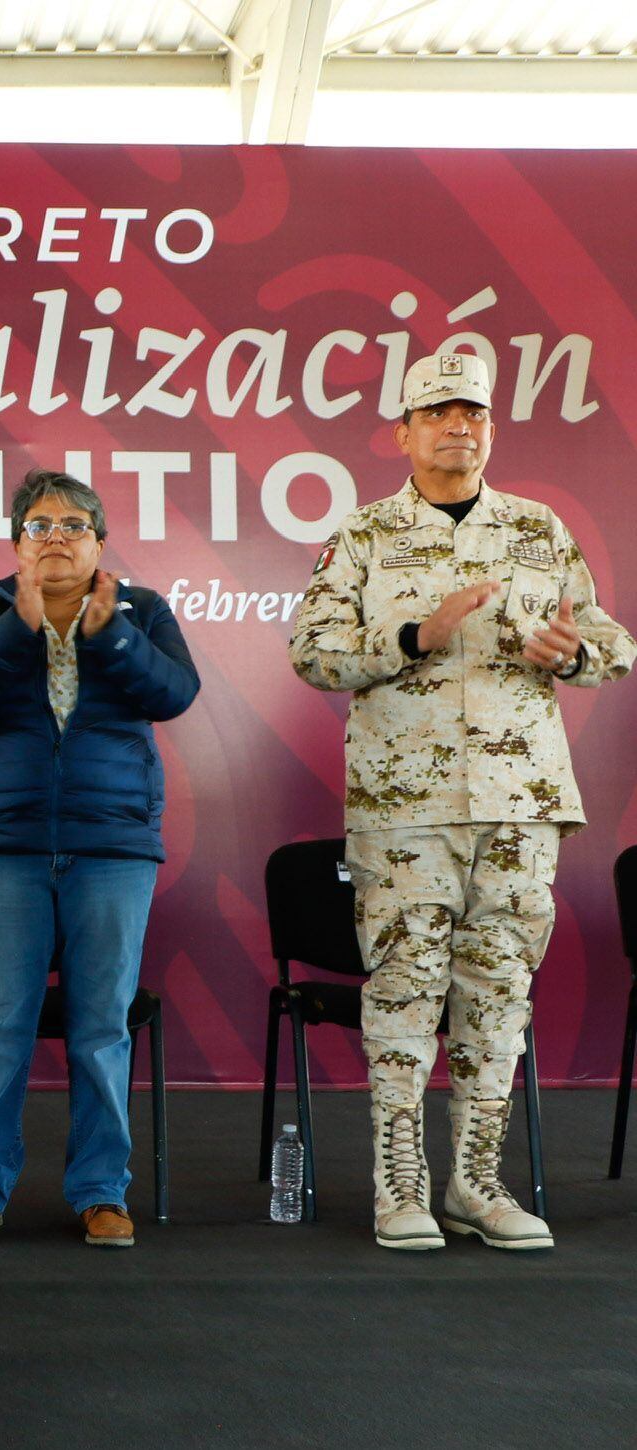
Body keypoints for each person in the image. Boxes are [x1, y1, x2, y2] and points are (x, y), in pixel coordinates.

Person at [290, 353, 632, 1252]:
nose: (458, 425)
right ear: (402, 431)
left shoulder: (537, 528)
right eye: (436, 410)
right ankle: (397, 1185)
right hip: (406, 811)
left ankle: (474, 1182)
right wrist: (415, 633)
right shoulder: (364, 535)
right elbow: (313, 654)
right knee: (403, 994)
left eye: (472, 411)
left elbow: (610, 642)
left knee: (498, 995)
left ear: (491, 427)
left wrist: (571, 653)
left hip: (519, 806)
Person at [0, 470, 198, 1249]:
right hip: (3, 848)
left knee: (99, 1028)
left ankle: (99, 1191)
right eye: (38, 525)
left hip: (110, 845)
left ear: (99, 541)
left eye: (73, 525)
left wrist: (107, 634)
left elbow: (173, 694)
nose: (55, 537)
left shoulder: (141, 611)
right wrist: (15, 632)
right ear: (16, 541)